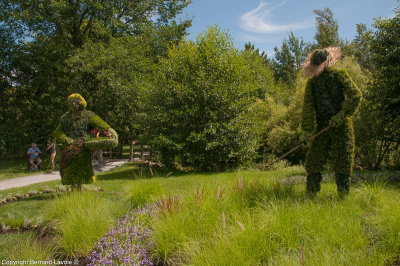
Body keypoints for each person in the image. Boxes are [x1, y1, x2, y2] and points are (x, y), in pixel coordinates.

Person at [301, 47, 361, 197]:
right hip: (322, 126)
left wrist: (341, 115)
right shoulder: (312, 84)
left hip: (342, 125)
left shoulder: (339, 75)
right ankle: (311, 196)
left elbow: (356, 95)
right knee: (314, 162)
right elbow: (308, 109)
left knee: (343, 162)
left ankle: (343, 197)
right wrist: (306, 132)